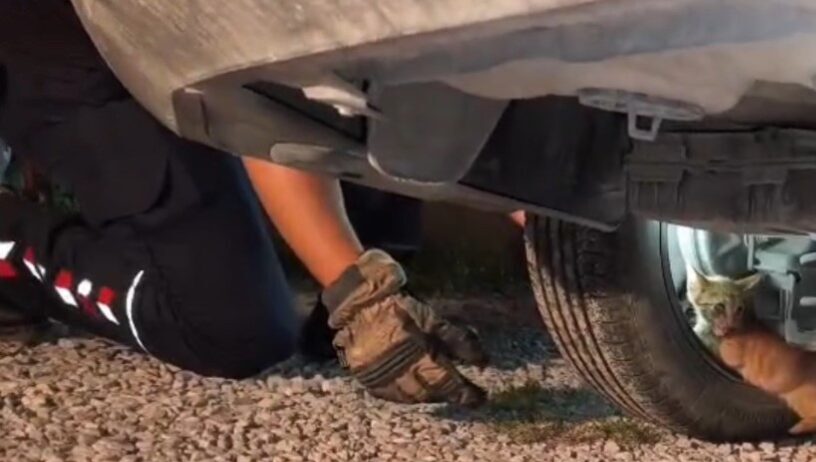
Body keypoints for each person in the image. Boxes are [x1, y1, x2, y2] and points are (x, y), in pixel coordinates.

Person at [0, 1, 487, 406]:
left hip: (193, 41)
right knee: (229, 329)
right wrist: (359, 294)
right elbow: (258, 98)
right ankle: (11, 247)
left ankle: (347, 273)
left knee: (384, 105)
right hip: (78, 52)